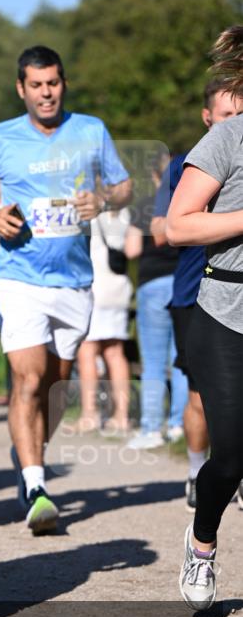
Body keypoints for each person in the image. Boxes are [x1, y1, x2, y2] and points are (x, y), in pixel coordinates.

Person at [0, 45, 132, 534]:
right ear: (21, 89)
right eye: (36, 85)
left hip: (75, 280)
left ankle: (27, 453)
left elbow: (124, 186)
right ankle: (37, 485)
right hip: (19, 275)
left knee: (55, 386)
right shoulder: (0, 138)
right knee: (27, 377)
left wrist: (101, 198)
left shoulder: (91, 130)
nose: (46, 93)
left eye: (54, 83)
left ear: (63, 84)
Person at [167, 85, 243, 611]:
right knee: (233, 455)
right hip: (225, 312)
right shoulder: (228, 138)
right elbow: (178, 225)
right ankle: (202, 543)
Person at [151, 80, 242, 509]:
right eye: (223, 113)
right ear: (209, 117)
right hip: (203, 295)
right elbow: (165, 227)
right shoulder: (200, 157)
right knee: (199, 400)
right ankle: (195, 472)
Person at [126, 156, 189, 449]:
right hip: (184, 282)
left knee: (152, 361)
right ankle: (179, 424)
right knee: (180, 360)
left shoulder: (145, 204)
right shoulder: (192, 200)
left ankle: (151, 428)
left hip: (152, 283)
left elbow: (131, 250)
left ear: (154, 176)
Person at [75, 209, 135, 434]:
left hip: (96, 288)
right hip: (119, 289)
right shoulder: (127, 214)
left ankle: (90, 414)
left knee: (87, 352)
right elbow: (132, 250)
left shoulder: (89, 214)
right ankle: (121, 415)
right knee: (115, 352)